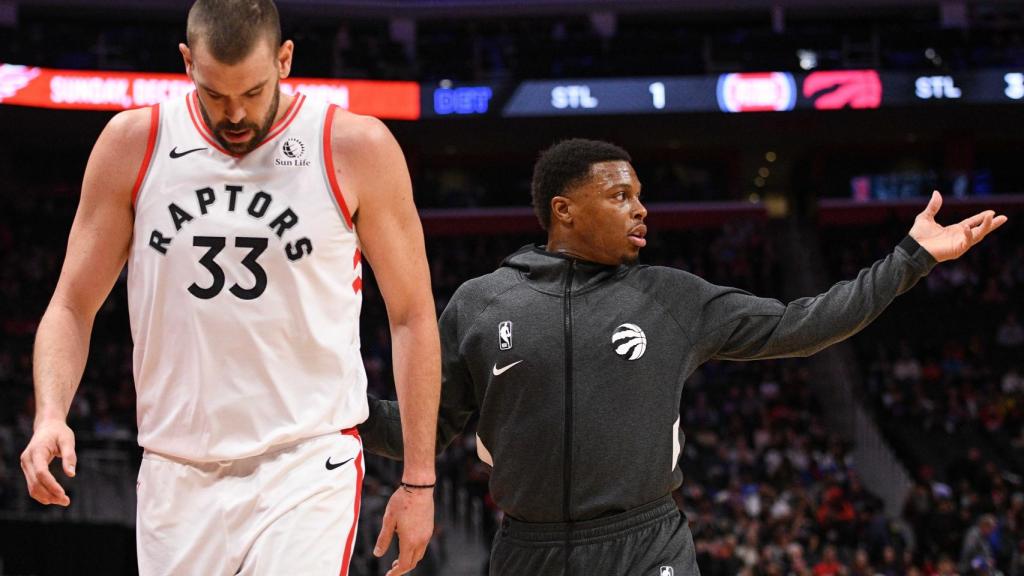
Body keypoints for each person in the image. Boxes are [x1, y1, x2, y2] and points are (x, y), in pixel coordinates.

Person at [359, 138, 1007, 576]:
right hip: (529, 549)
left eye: (639, 194)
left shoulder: (672, 297)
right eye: (619, 196)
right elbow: (421, 429)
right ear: (564, 211)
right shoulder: (481, 302)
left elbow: (804, 323)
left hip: (648, 544)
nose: (641, 208)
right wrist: (337, 408)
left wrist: (911, 259)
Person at [18, 1, 439, 575]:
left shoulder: (355, 147)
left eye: (253, 92)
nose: (236, 113)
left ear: (285, 60)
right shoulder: (133, 144)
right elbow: (71, 304)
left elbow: (412, 314)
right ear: (187, 62)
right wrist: (50, 415)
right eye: (216, 95)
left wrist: (419, 480)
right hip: (174, 470)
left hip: (305, 463)